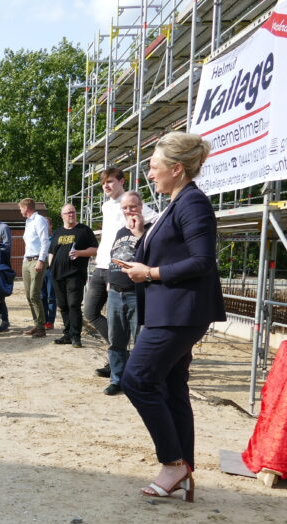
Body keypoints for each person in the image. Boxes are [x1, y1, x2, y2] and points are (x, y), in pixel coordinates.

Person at [118, 132, 226, 501]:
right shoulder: (176, 203)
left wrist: (149, 273)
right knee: (171, 387)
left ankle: (172, 463)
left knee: (138, 380)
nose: (150, 174)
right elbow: (172, 250)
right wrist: (141, 241)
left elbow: (202, 261)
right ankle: (183, 469)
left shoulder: (192, 203)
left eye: (154, 167)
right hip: (170, 310)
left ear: (177, 169)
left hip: (179, 313)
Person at [90, 166, 160, 377]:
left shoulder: (130, 204)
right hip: (101, 265)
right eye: (103, 183)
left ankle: (119, 364)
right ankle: (118, 356)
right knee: (91, 312)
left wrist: (140, 234)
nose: (106, 185)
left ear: (121, 181)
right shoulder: (106, 206)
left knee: (127, 322)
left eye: (110, 181)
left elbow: (157, 220)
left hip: (120, 270)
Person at [103, 191, 148, 396]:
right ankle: (117, 379)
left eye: (133, 206)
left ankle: (138, 382)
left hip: (135, 293)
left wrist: (139, 233)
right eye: (125, 208)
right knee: (116, 341)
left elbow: (151, 258)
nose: (129, 211)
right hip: (115, 292)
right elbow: (115, 257)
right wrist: (110, 283)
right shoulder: (121, 231)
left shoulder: (149, 231)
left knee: (140, 342)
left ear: (140, 207)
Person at [47, 204, 97, 348]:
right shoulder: (57, 232)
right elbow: (51, 251)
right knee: (62, 306)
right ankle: (67, 334)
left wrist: (80, 253)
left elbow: (95, 250)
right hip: (57, 275)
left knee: (73, 304)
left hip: (75, 274)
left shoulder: (84, 230)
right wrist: (51, 267)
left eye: (73, 212)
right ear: (62, 215)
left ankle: (76, 336)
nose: (71, 215)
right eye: (68, 213)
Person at [19, 198, 50, 338]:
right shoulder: (28, 222)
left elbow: (44, 241)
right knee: (28, 295)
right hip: (28, 259)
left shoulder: (39, 220)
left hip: (37, 260)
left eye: (21, 208)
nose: (20, 211)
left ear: (26, 208)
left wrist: (41, 260)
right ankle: (37, 324)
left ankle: (41, 328)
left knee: (34, 294)